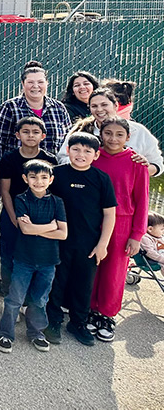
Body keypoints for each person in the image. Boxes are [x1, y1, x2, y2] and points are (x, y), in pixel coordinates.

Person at [44, 132, 116, 347]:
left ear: (96, 155)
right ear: (68, 150)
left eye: (87, 151)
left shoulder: (101, 179)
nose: (80, 154)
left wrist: (102, 244)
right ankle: (53, 320)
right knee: (57, 281)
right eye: (76, 149)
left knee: (84, 284)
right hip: (58, 240)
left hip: (89, 244)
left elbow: (109, 213)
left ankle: (78, 322)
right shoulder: (56, 174)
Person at [0, 160, 67, 354]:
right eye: (33, 177)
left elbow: (63, 233)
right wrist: (51, 226)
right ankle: (5, 333)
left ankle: (36, 333)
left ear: (51, 180)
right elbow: (24, 229)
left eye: (44, 177)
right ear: (25, 179)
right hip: (24, 259)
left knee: (40, 299)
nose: (38, 181)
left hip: (48, 260)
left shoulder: (57, 202)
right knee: (14, 298)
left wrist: (37, 229)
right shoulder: (21, 200)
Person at [87, 118, 149, 342]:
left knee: (115, 271)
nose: (113, 139)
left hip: (122, 224)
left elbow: (142, 201)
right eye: (108, 133)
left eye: (119, 134)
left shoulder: (136, 162)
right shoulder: (92, 157)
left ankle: (107, 314)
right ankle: (90, 310)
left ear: (128, 137)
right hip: (93, 222)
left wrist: (137, 235)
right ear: (101, 134)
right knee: (91, 266)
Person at [0, 117, 56, 297]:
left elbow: (51, 191)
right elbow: (5, 191)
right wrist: (13, 218)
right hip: (13, 214)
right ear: (17, 135)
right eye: (26, 132)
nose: (30, 135)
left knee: (36, 257)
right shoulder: (9, 159)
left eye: (36, 132)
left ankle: (30, 298)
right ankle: (10, 294)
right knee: (9, 255)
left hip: (40, 217)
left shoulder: (49, 159)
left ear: (43, 136)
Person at [58, 87, 162, 177]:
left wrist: (138, 169)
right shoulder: (80, 131)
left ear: (116, 106)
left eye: (104, 105)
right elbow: (62, 158)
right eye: (94, 106)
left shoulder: (138, 131)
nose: (99, 110)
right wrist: (83, 162)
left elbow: (158, 165)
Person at [0, 61, 72, 161]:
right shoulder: (10, 107)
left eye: (40, 82)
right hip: (17, 169)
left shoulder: (59, 108)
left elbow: (68, 140)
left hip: (52, 170)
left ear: (47, 83)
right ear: (23, 84)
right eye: (30, 82)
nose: (36, 86)